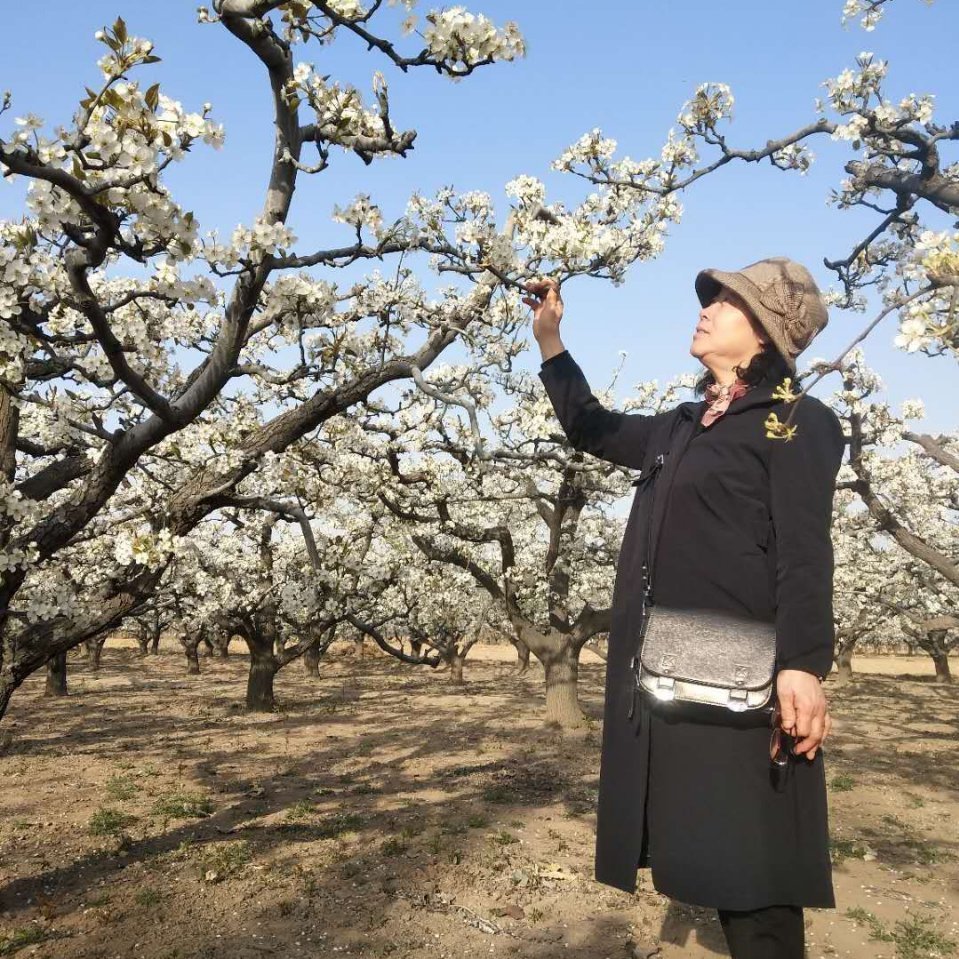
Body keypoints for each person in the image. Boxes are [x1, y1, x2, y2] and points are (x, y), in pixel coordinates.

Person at [522, 257, 846, 959]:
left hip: (746, 679)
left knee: (755, 878)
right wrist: (550, 339)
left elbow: (803, 546)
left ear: (762, 334)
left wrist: (801, 664)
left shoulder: (795, 422)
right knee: (710, 858)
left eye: (726, 302)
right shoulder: (680, 427)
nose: (705, 308)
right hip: (676, 674)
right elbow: (592, 427)